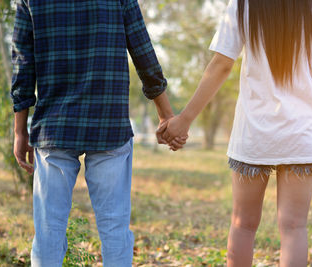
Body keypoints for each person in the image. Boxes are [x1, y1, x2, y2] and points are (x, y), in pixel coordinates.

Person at [158, 0, 312, 266]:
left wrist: (184, 119)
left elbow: (221, 65)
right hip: (303, 133)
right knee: (294, 228)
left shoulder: (243, 5)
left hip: (255, 132)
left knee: (243, 224)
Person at [10, 0, 185, 266]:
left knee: (48, 230)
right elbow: (143, 52)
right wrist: (166, 114)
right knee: (114, 228)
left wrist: (20, 130)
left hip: (54, 128)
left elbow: (23, 64)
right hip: (108, 124)